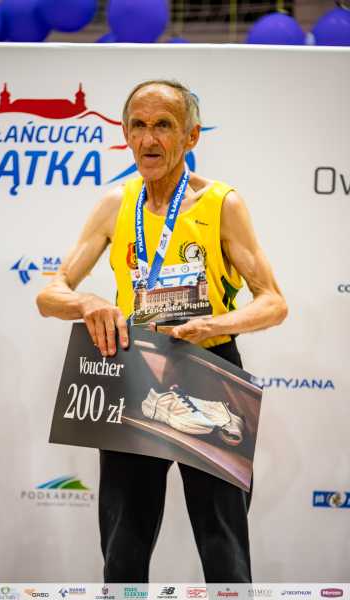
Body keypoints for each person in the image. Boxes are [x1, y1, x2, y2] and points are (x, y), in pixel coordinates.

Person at [36, 79, 288, 583]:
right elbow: (50, 294)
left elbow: (273, 303)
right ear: (126, 134)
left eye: (164, 126)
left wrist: (214, 323)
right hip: (134, 373)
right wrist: (87, 301)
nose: (149, 140)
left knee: (223, 545)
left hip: (208, 370)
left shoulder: (222, 204)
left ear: (191, 136)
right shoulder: (116, 203)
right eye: (138, 125)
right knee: (123, 546)